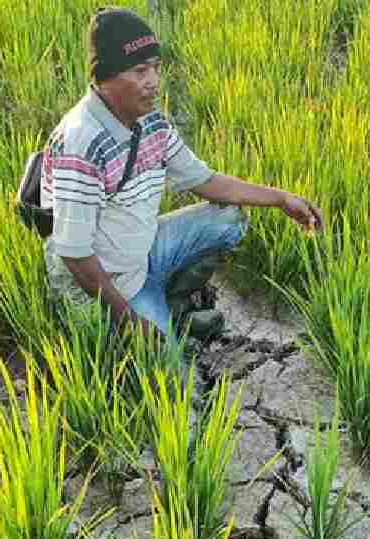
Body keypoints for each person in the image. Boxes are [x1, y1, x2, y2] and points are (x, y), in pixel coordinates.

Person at [38, 6, 324, 348]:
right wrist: (129, 321)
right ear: (105, 77)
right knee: (170, 380)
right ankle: (150, 318)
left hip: (142, 250)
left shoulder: (150, 122)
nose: (153, 82)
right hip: (105, 283)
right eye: (139, 70)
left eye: (156, 68)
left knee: (228, 219)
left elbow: (205, 182)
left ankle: (170, 304)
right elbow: (75, 254)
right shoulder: (81, 143)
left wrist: (281, 199)